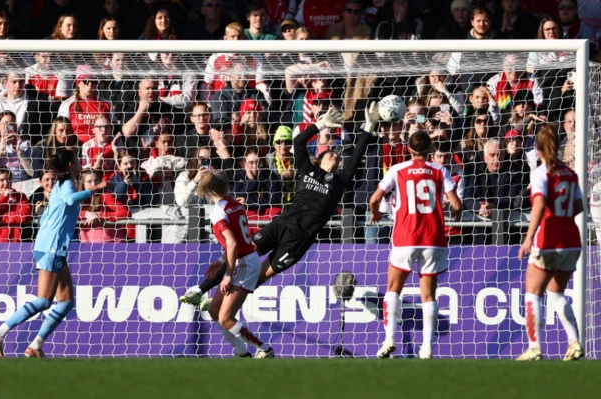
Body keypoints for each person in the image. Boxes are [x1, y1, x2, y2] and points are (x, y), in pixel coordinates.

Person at [180, 104, 374, 309]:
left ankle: (221, 301)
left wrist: (368, 126)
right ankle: (199, 291)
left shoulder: (340, 180)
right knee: (238, 257)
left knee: (261, 274)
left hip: (299, 239)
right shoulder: (307, 170)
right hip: (280, 224)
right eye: (330, 152)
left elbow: (357, 155)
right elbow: (299, 141)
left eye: (337, 154)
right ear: (320, 158)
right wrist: (319, 125)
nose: (335, 154)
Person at [0, 150, 109, 358]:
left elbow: (58, 213)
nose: (81, 163)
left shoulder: (63, 184)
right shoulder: (67, 184)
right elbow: (71, 200)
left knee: (66, 301)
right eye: (78, 161)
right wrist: (95, 188)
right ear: (71, 164)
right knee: (44, 300)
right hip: (51, 246)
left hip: (54, 246)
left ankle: (36, 345)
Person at [369, 131, 462, 360]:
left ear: (409, 149)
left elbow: (374, 199)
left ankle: (389, 339)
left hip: (405, 237)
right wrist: (456, 216)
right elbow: (457, 204)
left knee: (393, 289)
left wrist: (375, 214)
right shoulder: (440, 171)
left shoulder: (398, 170)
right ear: (430, 149)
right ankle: (427, 348)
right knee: (429, 295)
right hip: (433, 239)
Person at [516, 126, 584, 361]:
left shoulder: (540, 173)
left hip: (549, 240)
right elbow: (578, 207)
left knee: (533, 292)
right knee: (556, 292)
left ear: (538, 147)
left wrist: (527, 238)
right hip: (572, 241)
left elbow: (538, 204)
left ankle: (534, 347)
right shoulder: (570, 173)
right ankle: (574, 342)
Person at [198, 169, 274, 358]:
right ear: (226, 186)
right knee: (214, 309)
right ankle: (241, 351)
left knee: (226, 318)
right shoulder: (236, 205)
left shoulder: (218, 212)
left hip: (244, 263)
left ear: (207, 189)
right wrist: (220, 261)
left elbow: (232, 244)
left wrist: (228, 274)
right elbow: (237, 241)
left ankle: (264, 350)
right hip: (245, 258)